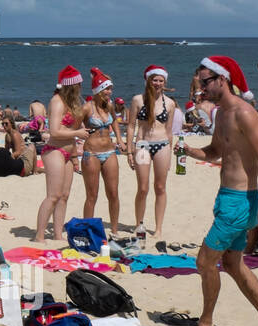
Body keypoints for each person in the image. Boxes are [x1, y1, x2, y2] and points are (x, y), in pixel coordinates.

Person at [181, 56, 258, 326]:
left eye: (205, 82)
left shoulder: (244, 112)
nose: (201, 88)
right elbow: (215, 152)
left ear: (222, 79)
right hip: (226, 197)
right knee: (233, 264)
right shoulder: (221, 114)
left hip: (241, 201)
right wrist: (190, 152)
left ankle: (205, 322)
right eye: (200, 83)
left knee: (204, 262)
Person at [35, 66, 88, 245]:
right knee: (53, 195)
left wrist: (74, 157)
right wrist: (78, 133)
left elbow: (69, 130)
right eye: (78, 84)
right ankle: (39, 236)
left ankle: (57, 234)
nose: (81, 87)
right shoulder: (57, 101)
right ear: (72, 85)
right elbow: (55, 131)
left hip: (68, 152)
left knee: (64, 195)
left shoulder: (72, 103)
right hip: (54, 151)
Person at [126, 65, 176, 246]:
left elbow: (169, 130)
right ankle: (139, 224)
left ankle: (159, 228)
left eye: (161, 80)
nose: (157, 83)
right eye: (154, 80)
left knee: (161, 187)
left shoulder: (170, 103)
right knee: (143, 188)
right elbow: (131, 125)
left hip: (162, 145)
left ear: (165, 82)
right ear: (148, 80)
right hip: (143, 145)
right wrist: (129, 150)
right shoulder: (138, 100)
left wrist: (170, 151)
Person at [80, 67, 124, 235]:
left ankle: (114, 230)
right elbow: (74, 126)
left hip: (110, 152)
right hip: (91, 154)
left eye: (110, 88)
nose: (110, 92)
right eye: (107, 88)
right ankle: (87, 231)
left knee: (113, 193)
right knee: (92, 196)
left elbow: (115, 123)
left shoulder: (109, 106)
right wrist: (79, 137)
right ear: (98, 90)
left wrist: (119, 139)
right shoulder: (86, 108)